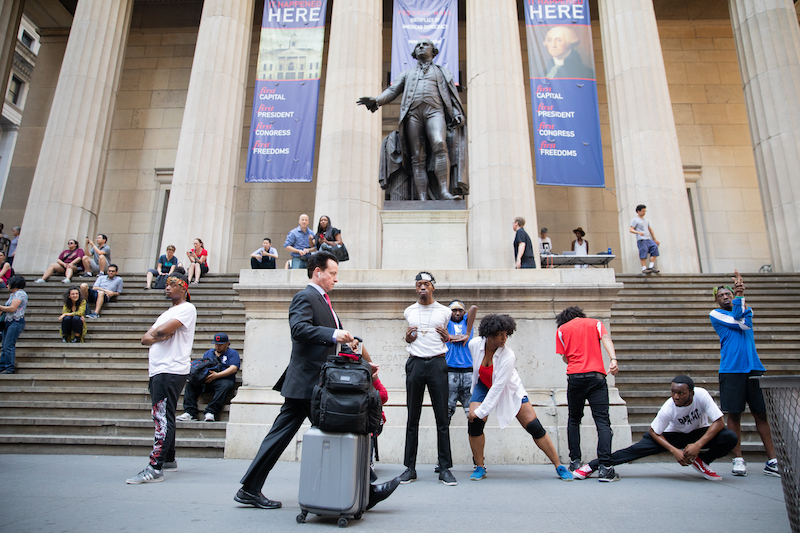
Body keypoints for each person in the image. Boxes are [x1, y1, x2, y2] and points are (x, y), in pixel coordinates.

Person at [235, 251, 399, 510]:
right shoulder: (306, 296)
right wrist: (335, 333)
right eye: (332, 273)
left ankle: (249, 489)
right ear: (317, 272)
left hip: (310, 384)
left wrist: (363, 361)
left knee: (283, 436)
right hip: (308, 383)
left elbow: (334, 344)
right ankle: (367, 489)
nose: (336, 279)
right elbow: (299, 330)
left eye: (336, 274)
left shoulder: (324, 300)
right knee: (342, 427)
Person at [467, 314, 573, 482]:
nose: (504, 338)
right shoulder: (474, 344)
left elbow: (498, 388)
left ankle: (559, 465)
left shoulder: (508, 355)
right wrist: (478, 413)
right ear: (489, 333)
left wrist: (480, 411)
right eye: (500, 334)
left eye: (506, 334)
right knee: (474, 423)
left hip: (510, 390)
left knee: (534, 426)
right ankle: (480, 466)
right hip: (482, 385)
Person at [359, 39, 467, 201]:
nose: (421, 47)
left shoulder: (443, 72)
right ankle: (422, 198)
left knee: (440, 144)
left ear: (434, 51)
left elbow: (452, 95)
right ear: (414, 54)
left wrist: (457, 112)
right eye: (418, 46)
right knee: (418, 157)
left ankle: (444, 191)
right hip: (413, 115)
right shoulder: (406, 74)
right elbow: (393, 90)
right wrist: (377, 100)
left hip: (435, 112)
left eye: (425, 45)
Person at [573, 376, 738, 482]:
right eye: (673, 392)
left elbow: (719, 421)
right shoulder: (669, 407)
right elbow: (654, 432)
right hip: (671, 436)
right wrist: (674, 451)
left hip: (697, 433)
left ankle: (702, 461)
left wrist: (698, 445)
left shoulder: (701, 395)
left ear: (691, 393)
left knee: (729, 437)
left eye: (680, 393)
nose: (676, 397)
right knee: (632, 451)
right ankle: (591, 466)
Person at [126, 272, 196, 484]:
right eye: (166, 284)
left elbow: (159, 333)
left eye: (172, 284)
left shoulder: (187, 308)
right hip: (160, 369)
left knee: (161, 417)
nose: (167, 287)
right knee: (166, 414)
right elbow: (145, 338)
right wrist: (155, 335)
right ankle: (168, 459)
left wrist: (155, 335)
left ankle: (155, 468)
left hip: (170, 369)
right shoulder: (168, 312)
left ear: (183, 288)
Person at [710, 270, 779, 477]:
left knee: (761, 414)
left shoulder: (746, 310)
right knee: (735, 414)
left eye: (728, 294)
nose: (725, 297)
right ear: (716, 300)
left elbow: (745, 322)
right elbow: (738, 322)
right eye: (721, 296)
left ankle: (773, 459)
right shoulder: (716, 314)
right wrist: (740, 297)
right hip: (731, 369)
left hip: (753, 367)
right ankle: (738, 459)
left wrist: (740, 298)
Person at [400, 271, 457, 486]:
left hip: (437, 363)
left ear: (433, 287)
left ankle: (444, 468)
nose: (422, 287)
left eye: (426, 284)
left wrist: (448, 338)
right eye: (419, 284)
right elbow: (408, 337)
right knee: (412, 417)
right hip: (415, 363)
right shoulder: (409, 311)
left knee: (442, 418)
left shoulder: (445, 311)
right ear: (416, 289)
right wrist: (407, 338)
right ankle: (409, 467)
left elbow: (450, 337)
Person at [555, 306, 618, 479]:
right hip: (596, 377)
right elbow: (606, 338)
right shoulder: (595, 323)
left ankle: (575, 461)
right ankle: (605, 466)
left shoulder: (561, 330)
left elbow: (565, 357)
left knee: (574, 419)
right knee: (602, 421)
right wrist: (612, 359)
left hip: (575, 378)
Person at [177, 332, 240, 422]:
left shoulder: (232, 353)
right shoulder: (209, 353)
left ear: (227, 343)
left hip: (222, 379)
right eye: (216, 344)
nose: (218, 347)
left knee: (226, 385)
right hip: (207, 378)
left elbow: (233, 368)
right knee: (191, 383)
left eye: (220, 345)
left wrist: (217, 375)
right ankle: (190, 413)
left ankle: (211, 411)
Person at [446, 300, 478, 422]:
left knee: (472, 413)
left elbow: (474, 308)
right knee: (447, 411)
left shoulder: (467, 323)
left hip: (468, 372)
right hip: (450, 371)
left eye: (460, 310)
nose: (457, 313)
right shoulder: (447, 323)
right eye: (454, 310)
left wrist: (467, 333)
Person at [0, 276, 27, 374]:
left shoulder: (20, 294)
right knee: (4, 345)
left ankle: (9, 368)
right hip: (8, 321)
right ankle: (2, 366)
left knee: (8, 345)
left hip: (16, 321)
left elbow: (12, 308)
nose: (7, 285)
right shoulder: (13, 295)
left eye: (9, 283)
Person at [630, 204, 660, 273]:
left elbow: (650, 229)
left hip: (648, 238)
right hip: (641, 239)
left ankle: (651, 266)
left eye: (645, 211)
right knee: (643, 252)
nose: (644, 212)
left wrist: (655, 239)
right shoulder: (635, 220)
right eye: (643, 211)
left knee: (654, 247)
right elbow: (631, 229)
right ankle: (644, 268)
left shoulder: (646, 220)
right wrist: (638, 232)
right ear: (638, 211)